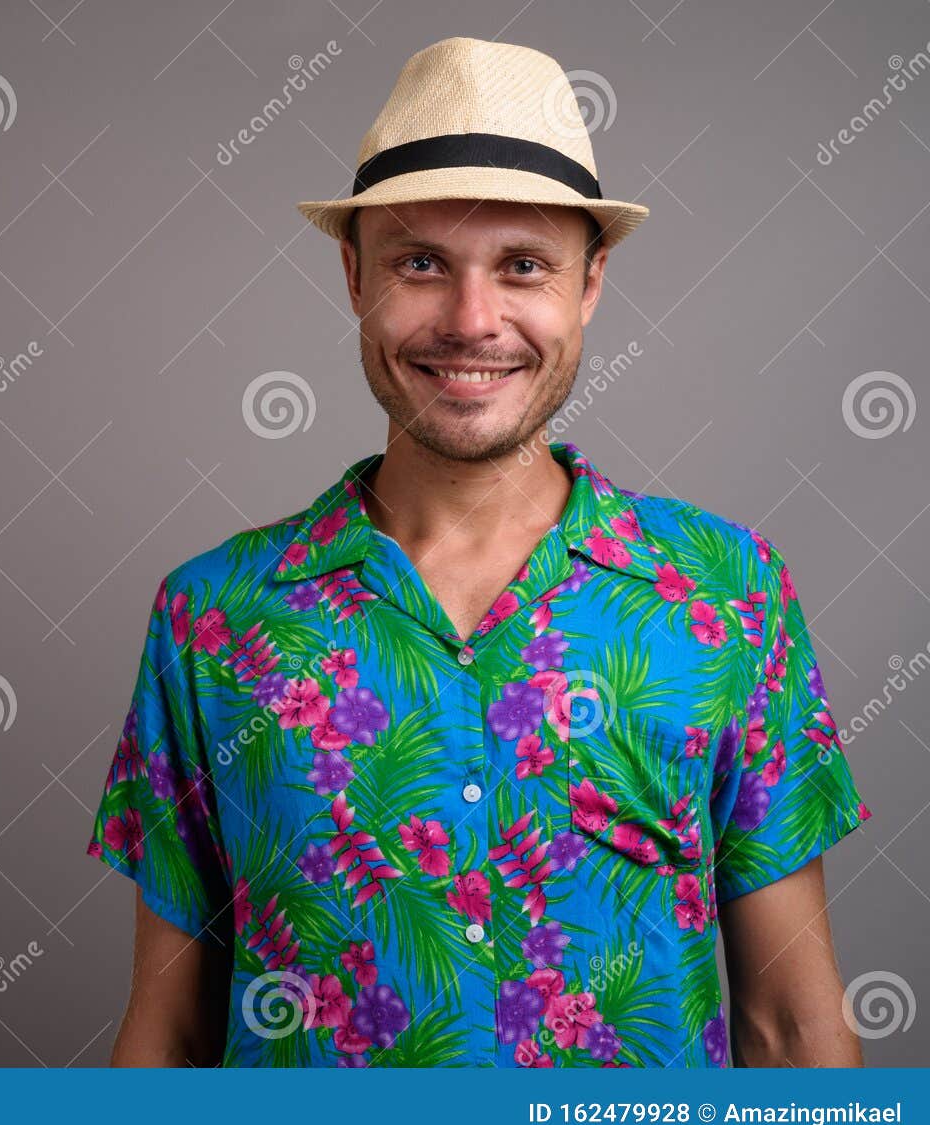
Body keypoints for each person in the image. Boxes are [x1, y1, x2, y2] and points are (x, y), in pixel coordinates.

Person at [84, 36, 868, 1068]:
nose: (471, 321)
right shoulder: (215, 616)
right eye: (420, 264)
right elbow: (168, 1035)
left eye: (524, 267)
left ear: (589, 285)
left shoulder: (725, 597)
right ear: (352, 274)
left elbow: (793, 1026)